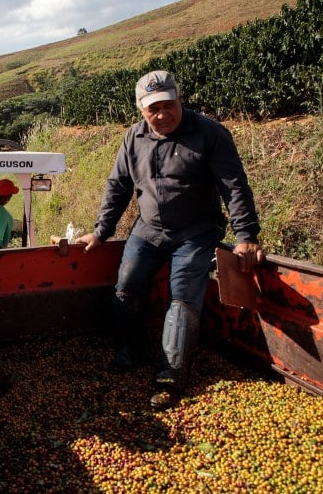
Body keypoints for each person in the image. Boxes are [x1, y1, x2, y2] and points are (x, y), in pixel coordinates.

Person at [74, 70, 265, 410]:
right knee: (127, 283)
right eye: (153, 109)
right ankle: (130, 349)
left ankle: (171, 373)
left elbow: (233, 185)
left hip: (195, 231)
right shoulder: (134, 138)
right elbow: (117, 186)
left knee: (182, 294)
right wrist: (101, 230)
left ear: (179, 99)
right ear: (141, 110)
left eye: (168, 105)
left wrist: (246, 234)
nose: (162, 115)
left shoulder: (209, 133)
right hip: (148, 229)